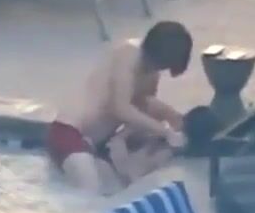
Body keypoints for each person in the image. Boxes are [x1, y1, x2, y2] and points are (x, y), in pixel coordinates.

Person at [46, 21, 193, 194]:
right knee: (90, 191)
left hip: (94, 144)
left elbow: (143, 108)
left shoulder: (152, 75)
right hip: (69, 132)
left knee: (115, 188)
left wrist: (171, 118)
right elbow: (120, 108)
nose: (161, 69)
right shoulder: (128, 55)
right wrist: (165, 132)